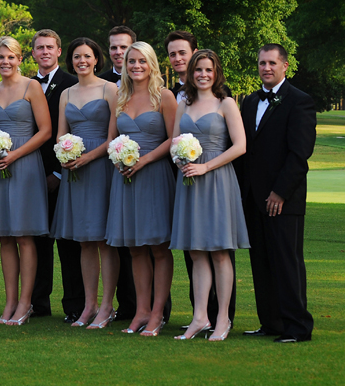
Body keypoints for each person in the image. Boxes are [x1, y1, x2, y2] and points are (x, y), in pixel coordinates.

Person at [169, 50, 249, 341]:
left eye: (208, 70)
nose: (203, 74)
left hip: (216, 180)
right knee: (196, 250)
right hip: (189, 181)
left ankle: (223, 319)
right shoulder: (184, 104)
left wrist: (205, 167)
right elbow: (174, 142)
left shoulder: (226, 103)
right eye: (198, 70)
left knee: (218, 250)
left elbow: (240, 146)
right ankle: (199, 317)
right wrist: (179, 160)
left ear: (216, 73)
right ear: (190, 73)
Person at [240, 44, 315, 343]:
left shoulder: (300, 101)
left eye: (272, 63)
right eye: (261, 63)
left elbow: (299, 155)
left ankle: (297, 327)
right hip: (253, 198)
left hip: (284, 200)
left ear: (285, 66)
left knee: (287, 263)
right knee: (261, 263)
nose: (266, 68)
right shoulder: (248, 102)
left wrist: (280, 193)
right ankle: (271, 323)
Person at [0, 37, 52, 325]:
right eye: (0, 57)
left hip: (26, 165)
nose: (5, 62)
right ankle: (8, 303)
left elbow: (45, 131)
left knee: (23, 235)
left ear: (20, 59)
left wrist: (16, 154)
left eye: (11, 57)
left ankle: (25, 303)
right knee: (5, 236)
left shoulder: (32, 87)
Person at [105, 42, 177, 337]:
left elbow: (174, 139)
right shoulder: (120, 97)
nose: (135, 66)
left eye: (141, 61)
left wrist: (144, 159)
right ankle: (141, 311)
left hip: (155, 175)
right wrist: (118, 158)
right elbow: (111, 139)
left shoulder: (164, 96)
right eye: (131, 61)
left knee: (158, 247)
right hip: (126, 179)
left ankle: (158, 313)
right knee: (134, 248)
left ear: (151, 64)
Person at [51, 38, 119, 329]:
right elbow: (59, 134)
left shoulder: (110, 89)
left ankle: (107, 306)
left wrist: (88, 157)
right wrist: (64, 153)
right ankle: (89, 305)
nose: (82, 61)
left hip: (100, 167)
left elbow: (114, 136)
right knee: (84, 241)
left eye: (87, 56)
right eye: (77, 56)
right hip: (74, 171)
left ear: (96, 59)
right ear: (71, 60)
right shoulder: (66, 93)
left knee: (103, 240)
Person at [29, 29, 84, 323]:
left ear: (59, 51)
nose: (45, 52)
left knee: (69, 243)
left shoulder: (72, 84)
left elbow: (78, 132)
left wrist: (57, 173)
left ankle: (74, 304)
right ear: (33, 53)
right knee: (38, 241)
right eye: (40, 48)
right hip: (30, 177)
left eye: (50, 47)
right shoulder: (26, 86)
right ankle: (38, 303)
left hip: (66, 175)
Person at [95, 26, 137, 320]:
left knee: (144, 242)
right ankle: (124, 306)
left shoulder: (148, 87)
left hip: (142, 170)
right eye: (113, 48)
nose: (119, 53)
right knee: (115, 240)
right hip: (107, 174)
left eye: (124, 48)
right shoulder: (105, 85)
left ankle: (146, 306)